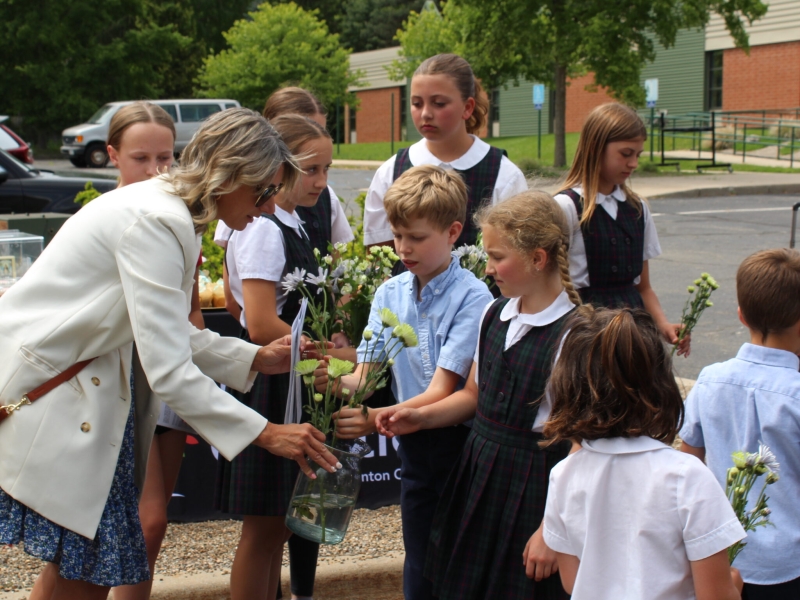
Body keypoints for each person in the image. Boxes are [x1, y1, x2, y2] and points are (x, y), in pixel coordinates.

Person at [0, 108, 340, 600]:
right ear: (227, 175)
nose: (268, 208)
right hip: (52, 400)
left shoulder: (171, 211)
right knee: (84, 573)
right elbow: (169, 371)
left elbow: (169, 335)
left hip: (78, 400)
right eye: (263, 191)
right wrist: (265, 432)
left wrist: (253, 359)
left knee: (85, 572)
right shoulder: (157, 220)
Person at [376, 191, 578, 599]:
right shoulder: (495, 315)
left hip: (535, 481)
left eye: (497, 257)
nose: (487, 269)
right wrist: (420, 417)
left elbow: (579, 441)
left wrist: (551, 528)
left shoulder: (576, 335)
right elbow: (473, 395)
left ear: (538, 259)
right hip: (481, 473)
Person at [316, 165, 493, 600]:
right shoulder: (389, 293)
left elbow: (443, 391)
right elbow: (367, 373)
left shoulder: (474, 297)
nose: (403, 248)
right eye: (397, 236)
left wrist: (376, 414)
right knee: (417, 553)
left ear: (453, 232)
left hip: (457, 441)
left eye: (416, 237)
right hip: (413, 442)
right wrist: (333, 379)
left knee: (457, 553)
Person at [215, 114, 355, 600]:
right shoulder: (263, 227)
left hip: (292, 376)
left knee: (280, 524)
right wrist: (330, 362)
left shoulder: (292, 220)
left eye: (327, 169)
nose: (321, 182)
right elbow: (259, 322)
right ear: (282, 167)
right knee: (265, 527)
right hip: (275, 383)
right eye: (312, 169)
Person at [541, 306, 745, 599]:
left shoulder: (564, 474)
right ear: (659, 384)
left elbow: (573, 580)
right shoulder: (687, 476)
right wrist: (732, 586)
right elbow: (715, 595)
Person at [680, 248, 800, 600]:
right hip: (786, 563)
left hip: (719, 558)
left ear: (741, 315)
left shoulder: (710, 379)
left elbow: (688, 465)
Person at [553, 103, 689, 356]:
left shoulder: (638, 209)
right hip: (587, 331)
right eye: (626, 154)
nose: (634, 163)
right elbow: (551, 283)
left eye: (638, 154)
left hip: (635, 332)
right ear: (596, 148)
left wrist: (664, 326)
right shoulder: (567, 206)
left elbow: (643, 286)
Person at [363, 53, 527, 252]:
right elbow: (379, 254)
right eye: (416, 103)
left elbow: (517, 255)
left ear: (467, 107)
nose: (425, 113)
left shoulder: (504, 175)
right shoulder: (391, 172)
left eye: (438, 103)